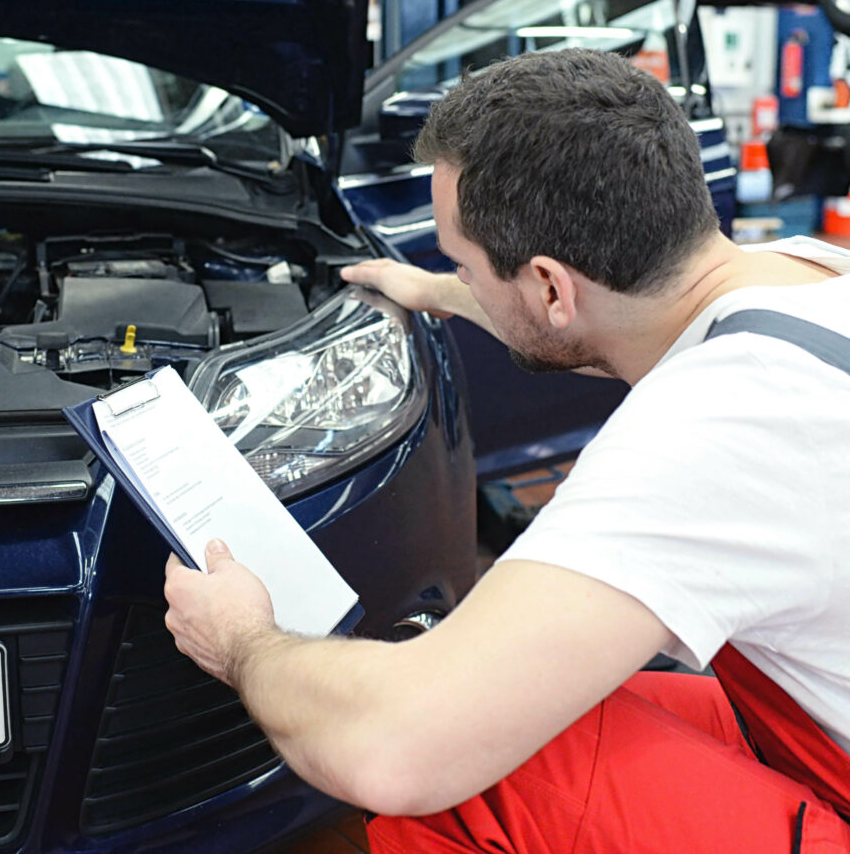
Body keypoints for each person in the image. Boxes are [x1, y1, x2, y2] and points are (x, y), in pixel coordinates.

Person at [163, 49, 850, 852]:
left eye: (462, 262)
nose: (454, 275)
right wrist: (444, 293)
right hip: (818, 728)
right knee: (529, 701)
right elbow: (604, 330)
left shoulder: (712, 427)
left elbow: (393, 748)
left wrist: (245, 640)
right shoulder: (807, 276)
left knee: (468, 769)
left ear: (553, 287)